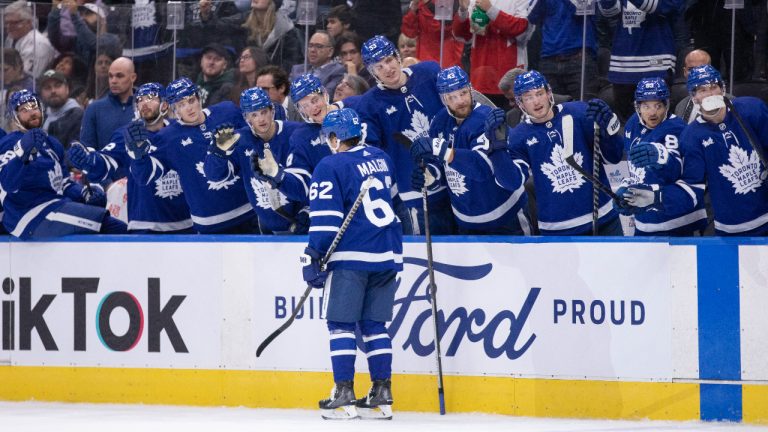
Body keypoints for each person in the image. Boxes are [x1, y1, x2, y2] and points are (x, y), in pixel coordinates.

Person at [303, 107, 401, 420]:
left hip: (351, 257)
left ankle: (343, 392)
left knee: (341, 325)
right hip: (387, 254)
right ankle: (381, 393)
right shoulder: (381, 157)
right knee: (374, 325)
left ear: (334, 137)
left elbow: (327, 223)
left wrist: (312, 255)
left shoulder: (329, 165)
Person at [630, 65, 768, 236]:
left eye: (713, 87)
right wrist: (655, 198)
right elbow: (691, 188)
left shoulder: (752, 109)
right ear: (693, 98)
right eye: (702, 90)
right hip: (730, 231)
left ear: (722, 89)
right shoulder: (691, 136)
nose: (709, 94)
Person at [484, 70, 625, 235]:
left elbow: (613, 158)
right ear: (520, 102)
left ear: (549, 93)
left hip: (604, 220)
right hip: (557, 229)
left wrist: (609, 132)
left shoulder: (579, 113)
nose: (536, 101)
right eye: (528, 97)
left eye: (539, 93)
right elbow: (511, 182)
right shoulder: (518, 136)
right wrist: (496, 149)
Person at [126, 77, 257, 234]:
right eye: (181, 105)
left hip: (249, 211)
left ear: (199, 98)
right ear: (173, 109)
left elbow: (256, 138)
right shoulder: (168, 138)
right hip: (209, 223)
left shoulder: (227, 111)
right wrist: (138, 156)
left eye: (191, 100)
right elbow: (144, 176)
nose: (189, 108)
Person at [410, 66, 531, 234]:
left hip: (506, 217)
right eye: (452, 97)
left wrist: (442, 149)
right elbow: (440, 166)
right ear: (443, 99)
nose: (460, 101)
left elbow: (482, 167)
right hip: (466, 220)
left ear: (470, 89)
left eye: (463, 93)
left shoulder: (487, 118)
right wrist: (430, 177)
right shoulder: (439, 122)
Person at [356, 35, 455, 235]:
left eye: (388, 60)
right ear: (371, 72)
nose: (387, 69)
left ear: (397, 56)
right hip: (415, 196)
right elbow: (374, 155)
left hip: (456, 184)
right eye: (379, 66)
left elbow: (459, 110)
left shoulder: (429, 72)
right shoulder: (369, 105)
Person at [67, 83, 193, 234]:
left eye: (151, 98)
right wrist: (89, 161)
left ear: (164, 105)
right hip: (144, 226)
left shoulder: (181, 130)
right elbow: (106, 161)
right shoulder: (125, 135)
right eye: (140, 99)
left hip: (186, 224)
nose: (144, 103)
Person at [0, 90, 127, 239]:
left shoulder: (52, 144)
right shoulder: (8, 143)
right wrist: (21, 152)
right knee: (109, 225)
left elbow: (63, 184)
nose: (32, 112)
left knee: (112, 224)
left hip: (56, 207)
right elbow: (7, 184)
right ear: (15, 116)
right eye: (24, 110)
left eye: (34, 107)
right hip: (29, 216)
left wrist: (84, 193)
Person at [204, 87, 306, 234]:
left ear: (272, 111)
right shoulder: (239, 139)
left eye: (264, 112)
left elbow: (314, 175)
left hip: (301, 224)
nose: (261, 119)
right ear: (246, 118)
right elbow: (215, 177)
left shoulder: (296, 133)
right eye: (254, 114)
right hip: (267, 229)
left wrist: (309, 209)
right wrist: (218, 154)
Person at [613, 77, 707, 235]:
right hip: (644, 222)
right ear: (638, 106)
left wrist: (662, 157)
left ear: (667, 105)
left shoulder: (676, 128)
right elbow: (635, 169)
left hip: (677, 223)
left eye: (658, 106)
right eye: (646, 106)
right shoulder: (632, 124)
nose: (652, 112)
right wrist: (627, 187)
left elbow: (677, 172)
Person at [253, 74, 337, 205]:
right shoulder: (301, 137)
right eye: (305, 106)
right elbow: (301, 188)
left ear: (324, 94)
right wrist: (278, 174)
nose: (312, 108)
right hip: (331, 206)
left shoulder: (352, 113)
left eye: (314, 100)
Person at [597, 0, 683, 121]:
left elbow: (656, 6)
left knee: (657, 121)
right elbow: (609, 11)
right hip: (623, 67)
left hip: (657, 65)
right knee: (627, 124)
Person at [452, 0, 531, 107]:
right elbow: (461, 36)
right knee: (482, 122)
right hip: (480, 77)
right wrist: (463, 11)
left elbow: (522, 30)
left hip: (510, 78)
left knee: (512, 120)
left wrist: (491, 10)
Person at [80, 57, 137, 150]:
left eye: (119, 76)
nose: (113, 81)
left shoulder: (146, 107)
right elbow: (87, 149)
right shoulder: (94, 109)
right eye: (110, 76)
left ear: (133, 77)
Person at [400, 0, 464, 67]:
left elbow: (444, 29)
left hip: (447, 54)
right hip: (426, 55)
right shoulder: (419, 3)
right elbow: (410, 33)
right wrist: (413, 9)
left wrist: (426, 4)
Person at [3, 0, 56, 79]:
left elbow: (27, 78)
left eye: (14, 22)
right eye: (7, 23)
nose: (9, 26)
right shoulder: (11, 38)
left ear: (28, 22)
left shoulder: (38, 44)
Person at [38, 69, 84, 152]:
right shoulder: (40, 118)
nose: (53, 91)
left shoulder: (78, 116)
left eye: (57, 85)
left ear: (67, 89)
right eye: (47, 88)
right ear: (41, 93)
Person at [289, 31, 346, 97]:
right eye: (310, 46)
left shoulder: (337, 71)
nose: (312, 50)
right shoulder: (297, 70)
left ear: (330, 51)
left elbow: (326, 95)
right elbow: (287, 95)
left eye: (319, 46)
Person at [196, 43, 237, 108]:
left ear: (225, 65)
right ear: (201, 61)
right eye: (208, 58)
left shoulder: (227, 89)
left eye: (217, 59)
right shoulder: (194, 82)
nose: (211, 62)